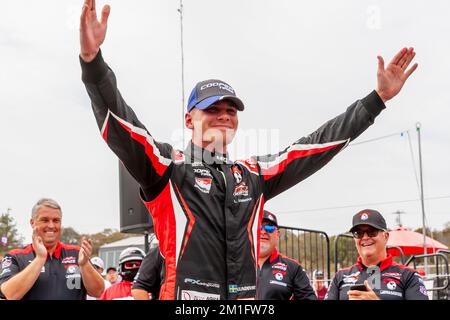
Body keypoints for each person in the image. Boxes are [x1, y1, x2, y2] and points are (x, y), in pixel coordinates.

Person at [79, 0, 417, 300]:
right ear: (189, 119)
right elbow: (123, 127)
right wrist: (93, 64)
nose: (224, 115)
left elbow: (317, 145)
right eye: (213, 108)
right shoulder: (169, 167)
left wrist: (375, 101)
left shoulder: (252, 174)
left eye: (231, 109)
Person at [0, 198, 104, 300]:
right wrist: (40, 259)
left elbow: (98, 292)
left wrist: (85, 264)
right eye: (45, 220)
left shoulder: (76, 254)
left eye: (56, 220)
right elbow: (10, 294)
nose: (51, 225)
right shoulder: (16, 256)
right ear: (32, 222)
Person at [325, 209, 429, 300]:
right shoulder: (341, 276)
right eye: (358, 233)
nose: (365, 237)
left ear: (386, 236)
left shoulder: (408, 276)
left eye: (371, 231)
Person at [257, 211, 316, 300]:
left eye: (269, 228)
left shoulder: (293, 267)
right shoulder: (235, 265)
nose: (263, 231)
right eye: (258, 227)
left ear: (277, 234)